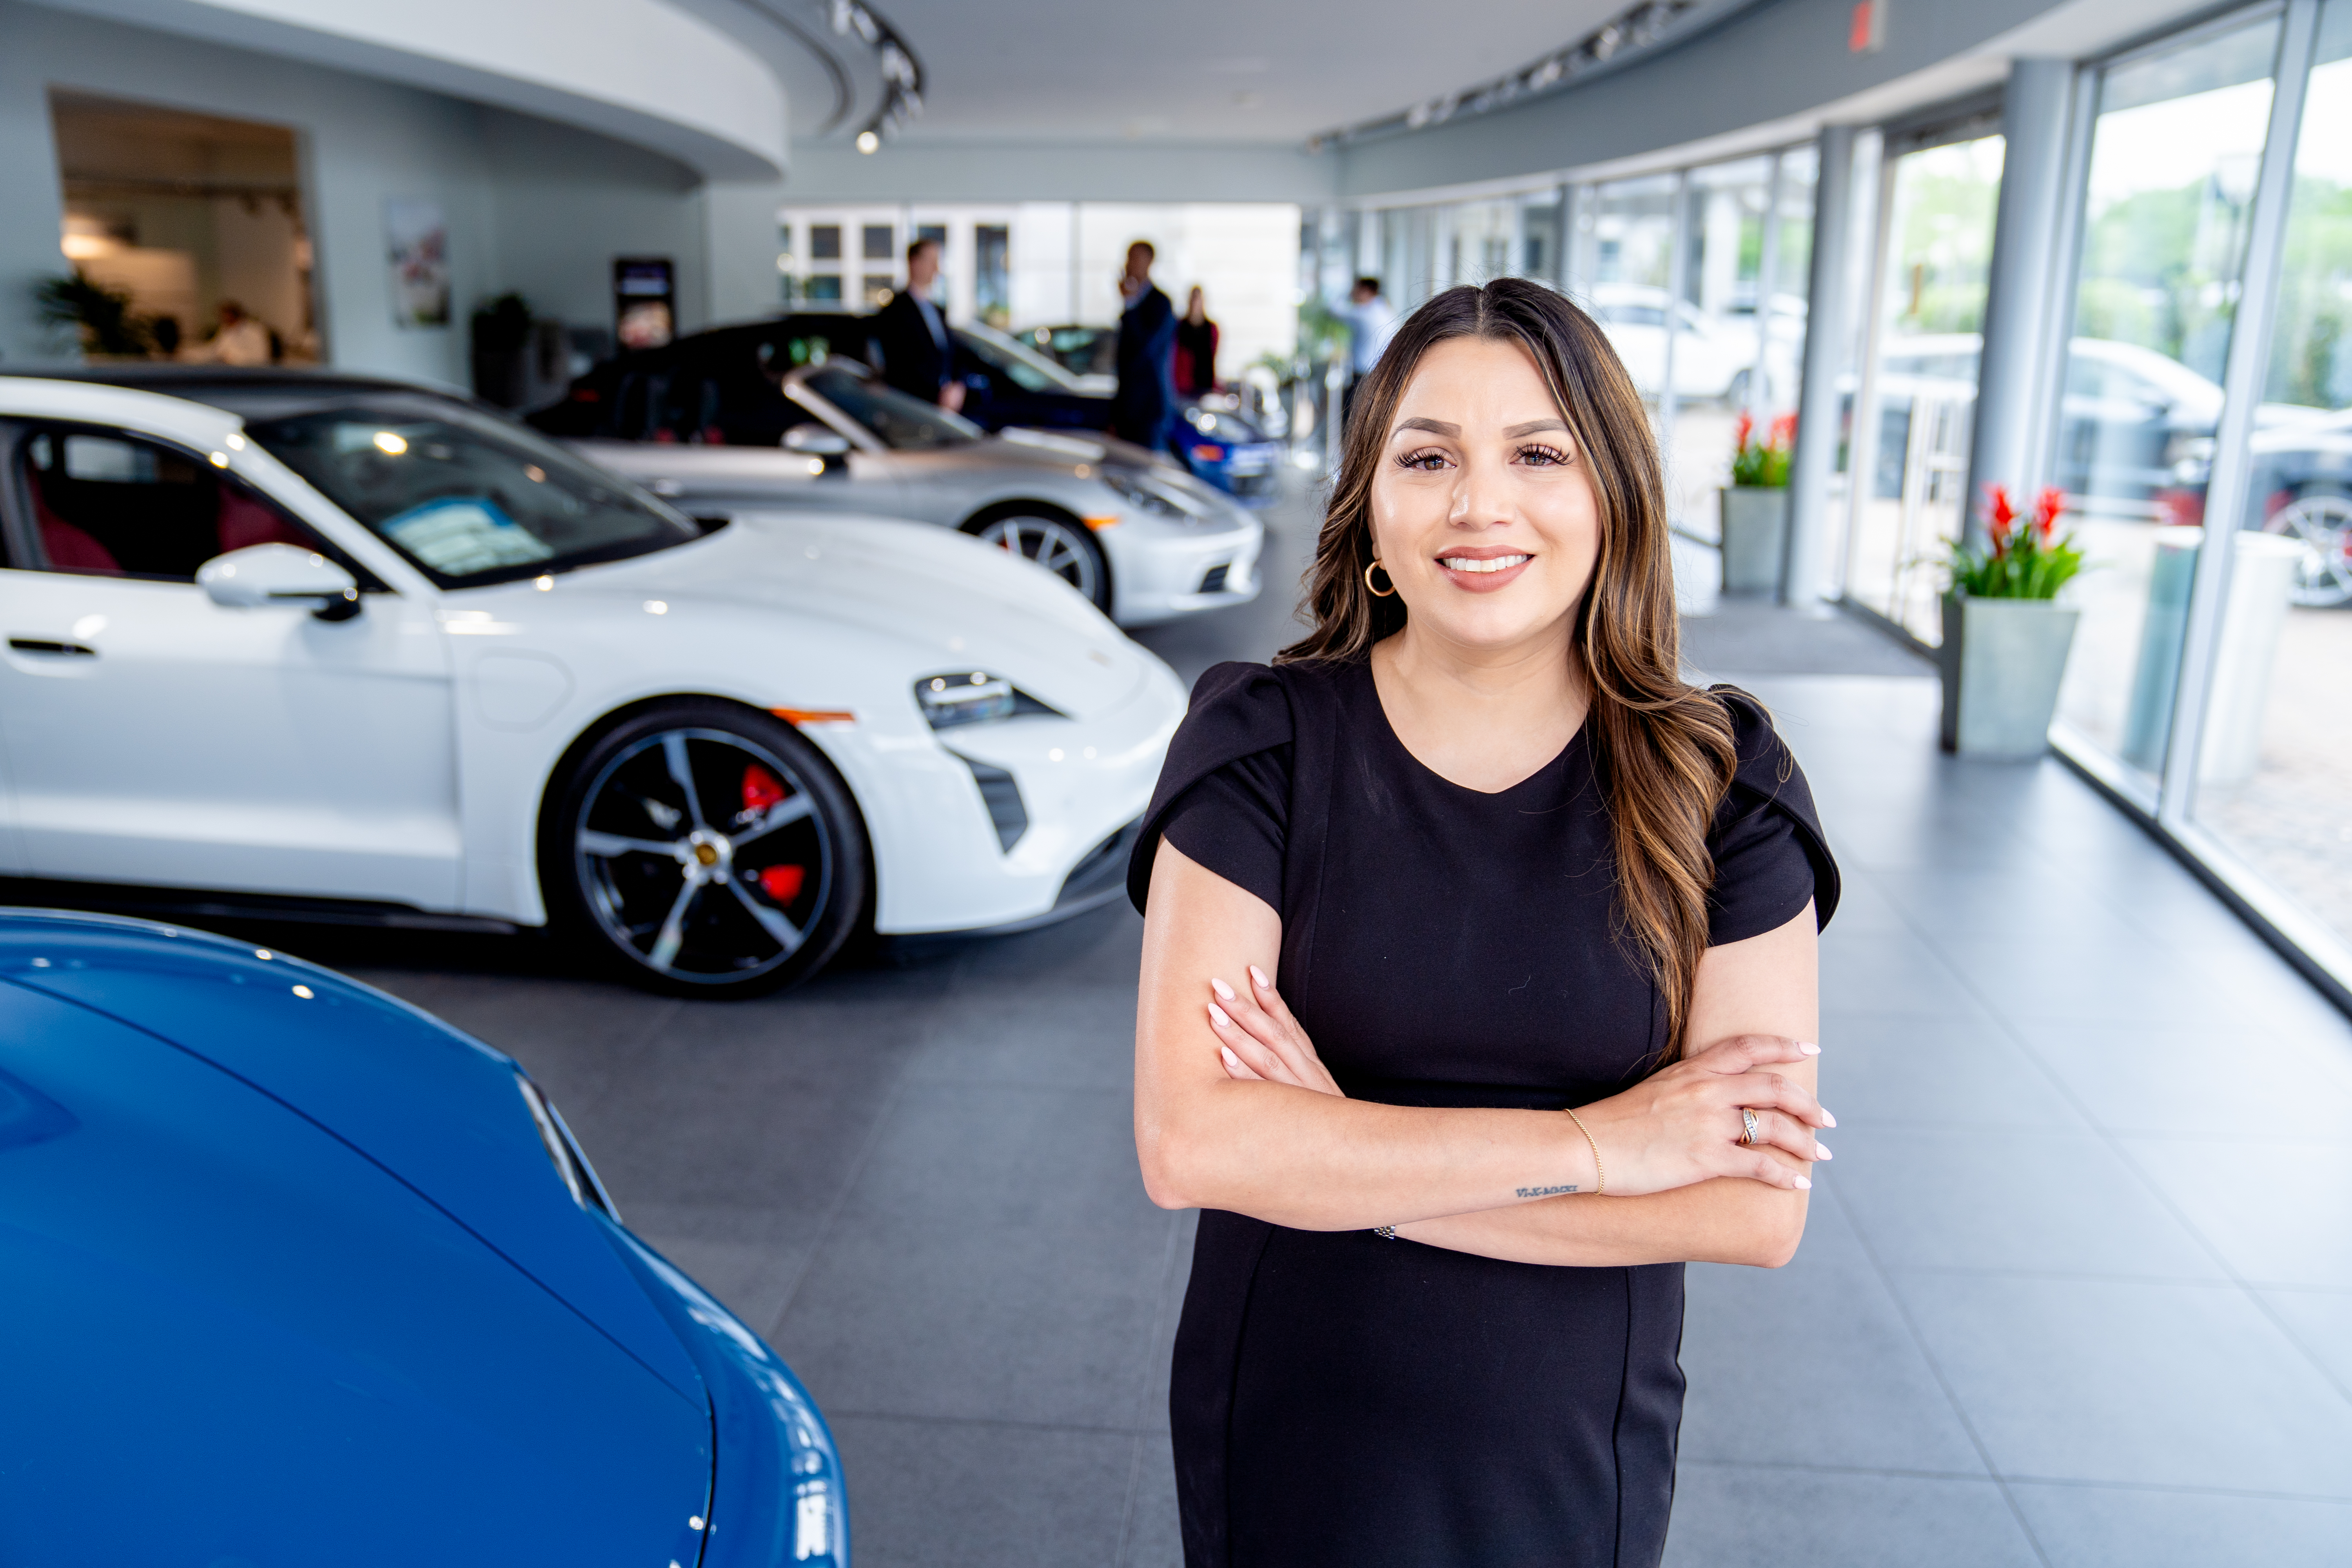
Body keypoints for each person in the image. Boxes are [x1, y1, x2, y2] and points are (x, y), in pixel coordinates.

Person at [1128, 277, 1838, 1568]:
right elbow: (1191, 1143)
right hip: (1296, 1435)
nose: (1478, 505)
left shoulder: (1723, 783)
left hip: (1570, 1450)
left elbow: (1750, 1209)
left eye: (1537, 453)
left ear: (1613, 492)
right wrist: (1602, 1145)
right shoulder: (1260, 747)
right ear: (1371, 504)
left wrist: (1339, 1160)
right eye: (1429, 456)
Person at [869, 237, 965, 412]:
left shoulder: (937, 311)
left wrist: (956, 386)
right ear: (915, 263)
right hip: (914, 406)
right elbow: (899, 363)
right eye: (932, 262)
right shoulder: (895, 312)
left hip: (943, 407)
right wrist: (937, 394)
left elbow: (950, 355)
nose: (937, 269)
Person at [1112, 240, 1176, 451]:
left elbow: (1143, 351)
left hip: (1149, 408)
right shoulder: (1135, 301)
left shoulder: (1160, 303)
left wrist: (1129, 305)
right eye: (1129, 258)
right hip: (1128, 407)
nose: (1130, 265)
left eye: (1136, 259)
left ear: (1149, 263)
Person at [1340, 275, 1397, 431]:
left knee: (1352, 424)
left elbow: (1334, 310)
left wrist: (1347, 296)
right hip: (1381, 376)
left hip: (1364, 377)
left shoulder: (1366, 314)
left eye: (1357, 289)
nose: (1354, 293)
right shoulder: (1386, 311)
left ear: (1366, 291)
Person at [180, 300, 272, 366]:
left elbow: (260, 358)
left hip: (251, 376)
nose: (221, 319)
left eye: (225, 316)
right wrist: (188, 354)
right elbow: (213, 351)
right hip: (228, 373)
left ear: (234, 315)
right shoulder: (226, 330)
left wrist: (231, 357)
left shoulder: (254, 332)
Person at [1172, 285, 1218, 399]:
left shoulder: (1211, 329)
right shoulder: (1179, 327)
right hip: (1182, 386)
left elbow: (1213, 356)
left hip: (1204, 384)